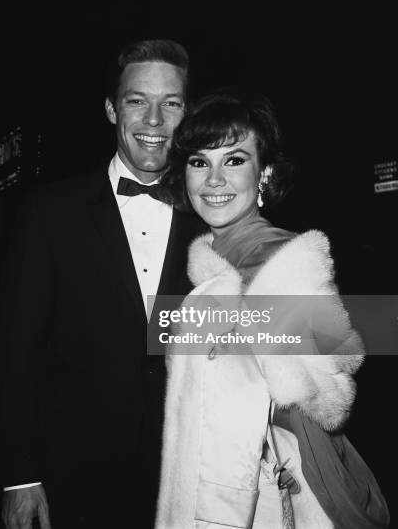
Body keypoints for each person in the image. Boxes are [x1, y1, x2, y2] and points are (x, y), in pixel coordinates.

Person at [0, 39, 206, 529]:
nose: (154, 121)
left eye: (170, 104)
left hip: (190, 479)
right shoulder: (50, 213)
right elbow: (15, 351)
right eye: (138, 101)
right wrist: (19, 477)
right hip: (76, 480)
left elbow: (278, 334)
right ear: (112, 109)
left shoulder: (213, 214)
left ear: (187, 113)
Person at [155, 92, 365, 528]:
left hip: (271, 490)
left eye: (233, 160)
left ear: (264, 173)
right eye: (199, 162)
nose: (214, 180)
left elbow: (332, 387)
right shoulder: (203, 262)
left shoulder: (284, 259)